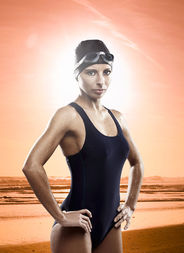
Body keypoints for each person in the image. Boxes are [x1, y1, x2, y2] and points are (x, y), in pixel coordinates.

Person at [22, 39, 144, 253]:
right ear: (76, 75)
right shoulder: (68, 116)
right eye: (91, 73)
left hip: (110, 225)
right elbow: (32, 166)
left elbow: (137, 163)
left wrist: (130, 205)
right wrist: (60, 217)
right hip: (77, 224)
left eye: (106, 72)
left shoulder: (119, 118)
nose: (100, 81)